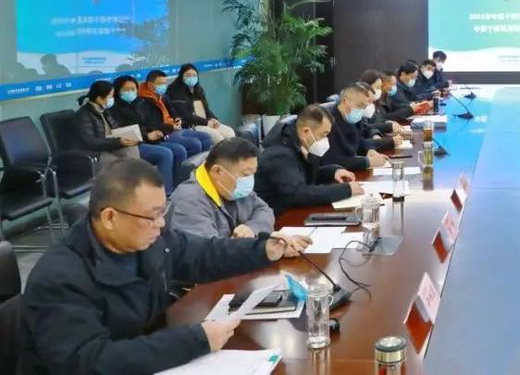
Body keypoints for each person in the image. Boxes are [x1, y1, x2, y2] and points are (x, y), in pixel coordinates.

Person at [18, 158, 310, 375]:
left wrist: (264, 250)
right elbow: (89, 361)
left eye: (163, 212)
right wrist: (195, 340)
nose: (161, 224)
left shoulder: (148, 239)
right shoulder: (60, 277)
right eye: (152, 216)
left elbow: (203, 253)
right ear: (109, 217)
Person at [255, 104, 362, 216]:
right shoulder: (280, 154)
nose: (326, 140)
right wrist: (346, 190)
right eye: (323, 135)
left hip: (293, 211)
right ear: (306, 132)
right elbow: (298, 194)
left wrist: (334, 172)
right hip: (277, 218)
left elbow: (307, 175)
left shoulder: (300, 143)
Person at [168, 138, 274, 239]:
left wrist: (252, 229)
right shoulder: (189, 201)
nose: (250, 180)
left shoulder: (235, 189)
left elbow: (264, 210)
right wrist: (242, 244)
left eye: (253, 173)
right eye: (246, 174)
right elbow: (208, 248)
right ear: (217, 171)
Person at [110, 76, 189, 194]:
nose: (130, 92)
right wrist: (146, 135)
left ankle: (179, 188)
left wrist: (153, 132)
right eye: (126, 89)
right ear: (117, 90)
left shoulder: (139, 103)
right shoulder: (113, 108)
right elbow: (123, 131)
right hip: (132, 145)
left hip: (147, 139)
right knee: (165, 154)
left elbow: (147, 123)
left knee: (179, 150)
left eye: (133, 89)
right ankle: (165, 193)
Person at [139, 69, 213, 153]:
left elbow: (173, 111)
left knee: (206, 138)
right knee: (195, 144)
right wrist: (171, 127)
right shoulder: (143, 102)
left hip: (175, 128)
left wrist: (177, 119)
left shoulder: (162, 96)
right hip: (164, 132)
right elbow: (151, 124)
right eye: (160, 84)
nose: (163, 86)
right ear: (150, 85)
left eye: (164, 83)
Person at [73, 80, 141, 170]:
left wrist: (129, 138)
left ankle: (135, 177)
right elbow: (89, 142)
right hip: (95, 152)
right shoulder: (83, 115)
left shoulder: (104, 111)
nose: (112, 99)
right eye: (110, 96)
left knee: (131, 150)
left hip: (110, 147)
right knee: (119, 165)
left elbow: (115, 129)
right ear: (99, 98)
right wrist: (118, 142)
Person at [166, 64, 236, 145]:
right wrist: (206, 122)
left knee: (230, 133)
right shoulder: (175, 91)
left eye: (194, 75)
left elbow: (206, 109)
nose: (191, 78)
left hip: (206, 122)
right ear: (181, 76)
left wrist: (213, 119)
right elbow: (186, 115)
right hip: (191, 125)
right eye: (188, 75)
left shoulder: (198, 90)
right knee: (218, 138)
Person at [325, 84, 390, 171]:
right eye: (359, 105)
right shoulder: (327, 122)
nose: (361, 110)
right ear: (345, 101)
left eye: (364, 107)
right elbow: (333, 160)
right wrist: (367, 162)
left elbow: (358, 142)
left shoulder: (353, 118)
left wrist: (369, 150)